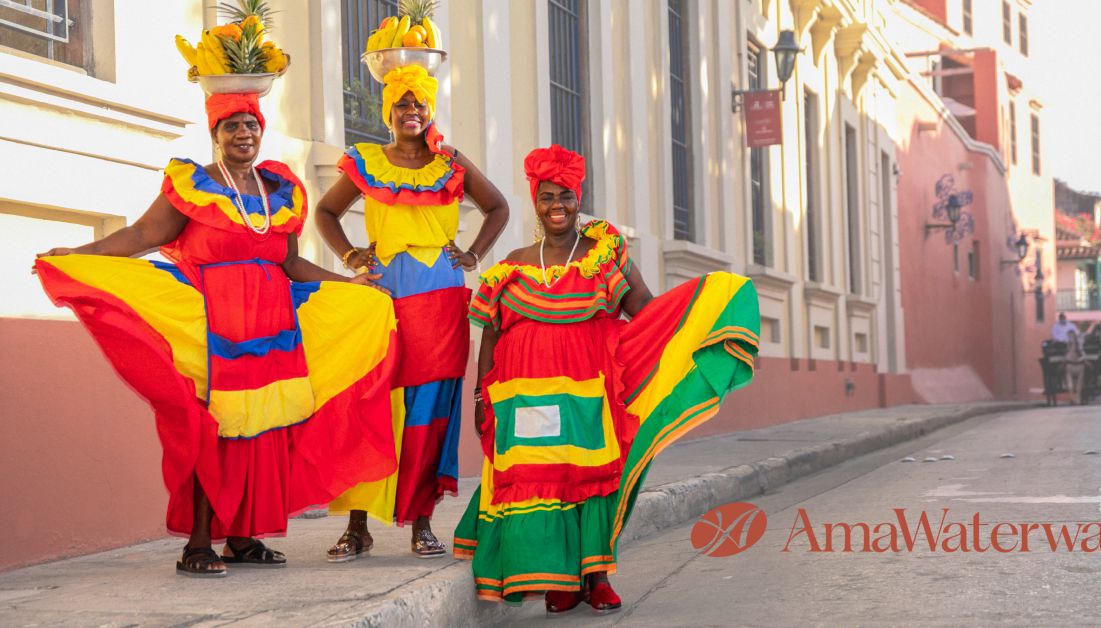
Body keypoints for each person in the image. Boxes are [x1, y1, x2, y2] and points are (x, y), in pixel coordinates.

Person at [34, 91, 400, 578]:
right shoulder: (194, 185)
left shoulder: (279, 191)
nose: (243, 133)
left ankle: (243, 539)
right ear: (215, 134)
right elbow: (142, 235)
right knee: (216, 427)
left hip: (271, 324)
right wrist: (82, 252)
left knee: (262, 426)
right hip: (215, 324)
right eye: (232, 125)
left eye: (251, 124)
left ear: (261, 130)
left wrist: (348, 284)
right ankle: (199, 542)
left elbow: (290, 263)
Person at [453, 145, 760, 614]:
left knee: (591, 478)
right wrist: (480, 395)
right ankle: (559, 579)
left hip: (590, 393)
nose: (557, 205)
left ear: (579, 199)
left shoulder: (605, 257)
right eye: (547, 197)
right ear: (535, 202)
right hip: (524, 396)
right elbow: (492, 333)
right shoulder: (513, 262)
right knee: (540, 478)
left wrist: (700, 311)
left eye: (566, 196)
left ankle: (596, 577)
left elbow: (647, 311)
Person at [315, 65, 509, 560]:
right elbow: (325, 213)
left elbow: (499, 207)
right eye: (401, 102)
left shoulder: (450, 162)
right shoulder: (367, 161)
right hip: (383, 294)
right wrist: (351, 256)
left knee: (429, 409)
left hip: (440, 296)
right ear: (388, 111)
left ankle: (421, 521)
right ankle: (357, 526)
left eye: (419, 102)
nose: (411, 111)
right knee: (372, 402)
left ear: (430, 109)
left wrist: (473, 254)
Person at [1064, 330, 1086, 405]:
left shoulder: (1079, 340)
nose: (1071, 336)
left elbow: (1082, 348)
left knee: (1079, 382)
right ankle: (1072, 398)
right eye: (1069, 335)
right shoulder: (1067, 343)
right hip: (1070, 361)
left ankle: (1078, 398)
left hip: (1079, 361)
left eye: (1072, 335)